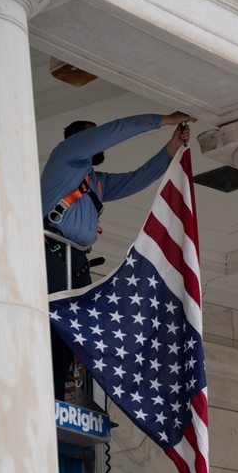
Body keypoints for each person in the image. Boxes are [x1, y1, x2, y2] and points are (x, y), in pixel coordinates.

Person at [42, 111, 196, 401]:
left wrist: (173, 145)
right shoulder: (65, 157)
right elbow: (114, 130)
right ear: (80, 140)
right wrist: (164, 119)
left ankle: (63, 397)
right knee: (55, 327)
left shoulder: (94, 182)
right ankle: (49, 398)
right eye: (92, 135)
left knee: (77, 334)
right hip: (51, 254)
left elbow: (138, 179)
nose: (100, 143)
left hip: (75, 263)